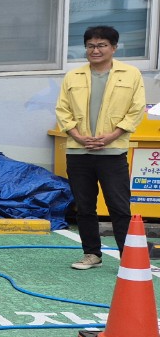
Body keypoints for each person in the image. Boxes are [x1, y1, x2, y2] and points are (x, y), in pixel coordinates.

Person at [54, 25, 146, 270]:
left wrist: (112, 136)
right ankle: (91, 254)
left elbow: (136, 110)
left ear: (113, 48)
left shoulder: (130, 74)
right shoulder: (73, 77)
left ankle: (129, 256)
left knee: (119, 206)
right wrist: (77, 135)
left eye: (102, 45)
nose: (96, 50)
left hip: (112, 151)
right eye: (91, 45)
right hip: (78, 150)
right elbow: (62, 110)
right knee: (84, 207)